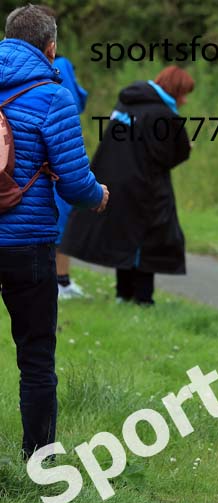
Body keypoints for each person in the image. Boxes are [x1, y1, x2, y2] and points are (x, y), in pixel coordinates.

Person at [0, 4, 108, 459]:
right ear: (51, 47)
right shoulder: (51, 93)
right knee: (36, 356)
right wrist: (98, 194)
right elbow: (75, 179)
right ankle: (39, 459)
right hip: (26, 245)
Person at [61, 66, 194, 306]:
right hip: (145, 187)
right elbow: (169, 155)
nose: (184, 100)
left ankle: (123, 294)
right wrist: (187, 147)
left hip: (113, 180)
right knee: (146, 242)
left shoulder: (126, 104)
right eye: (183, 94)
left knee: (122, 236)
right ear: (175, 90)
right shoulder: (162, 115)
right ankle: (143, 299)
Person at [38, 6, 90, 299]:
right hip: (54, 159)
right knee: (59, 218)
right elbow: (76, 103)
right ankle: (59, 281)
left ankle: (60, 280)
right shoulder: (62, 68)